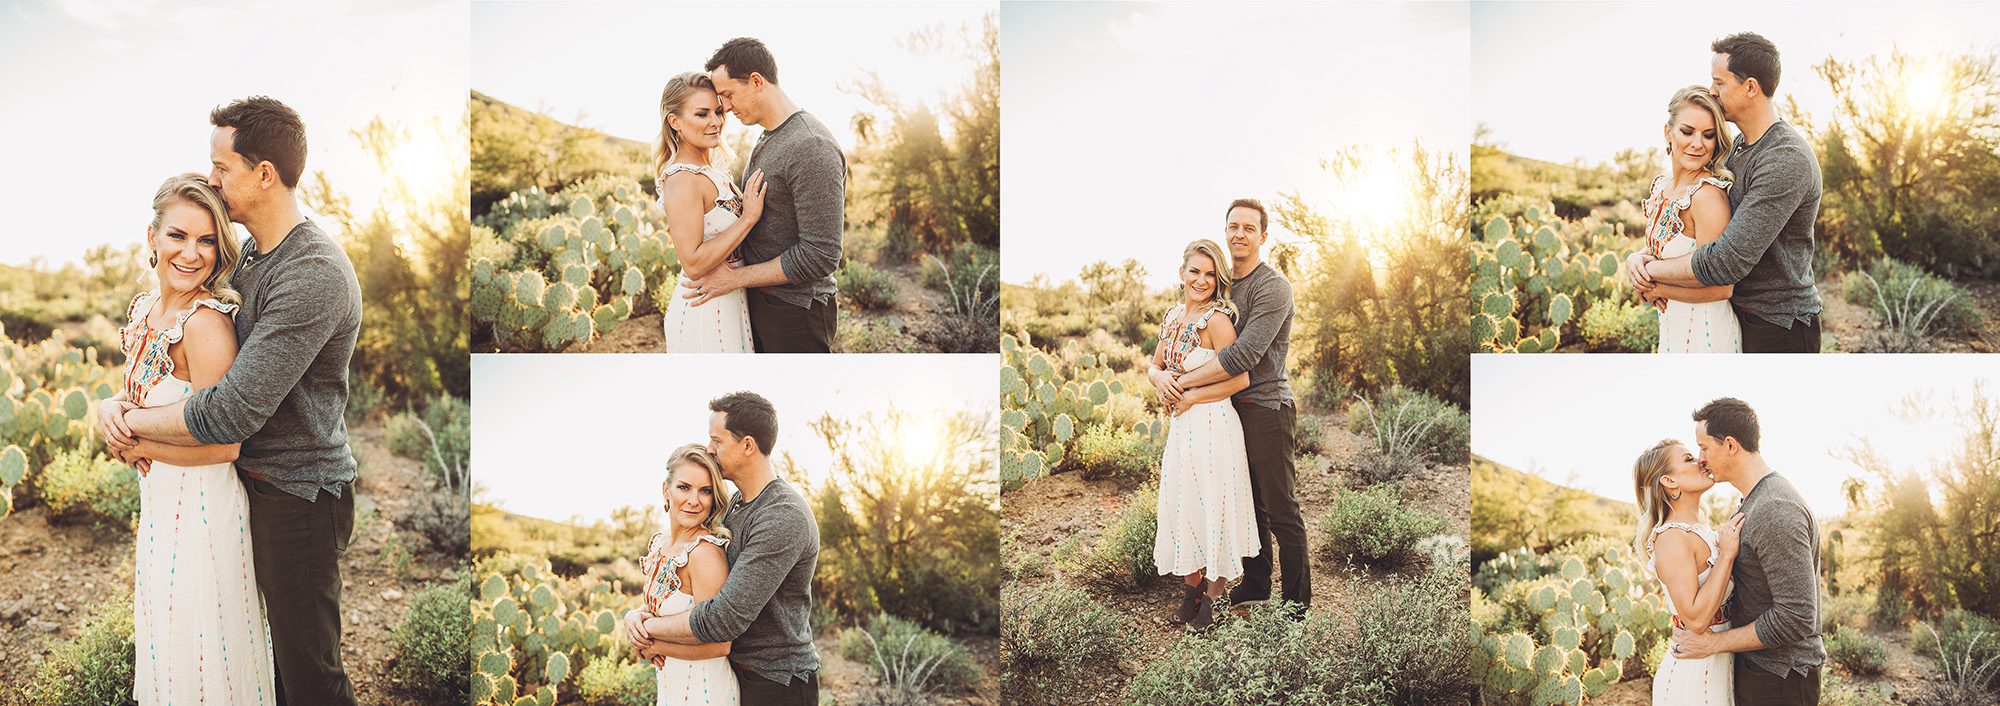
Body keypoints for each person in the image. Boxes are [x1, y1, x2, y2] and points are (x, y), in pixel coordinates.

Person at [105, 96, 363, 706]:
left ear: (263, 174)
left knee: (311, 677)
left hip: (299, 494)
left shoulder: (312, 272)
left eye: (222, 169)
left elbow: (229, 413)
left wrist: (128, 425)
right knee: (253, 658)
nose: (212, 182)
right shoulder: (251, 255)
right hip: (249, 484)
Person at [106, 173, 275, 705]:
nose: (191, 253)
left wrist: (135, 444)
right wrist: (111, 407)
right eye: (178, 235)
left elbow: (226, 445)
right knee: (172, 643)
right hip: (159, 507)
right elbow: (139, 394)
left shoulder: (206, 324)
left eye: (206, 240)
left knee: (208, 651)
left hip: (203, 512)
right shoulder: (143, 311)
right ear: (152, 236)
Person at [1631, 33, 1824, 353]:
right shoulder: (1739, 148)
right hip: (1741, 316)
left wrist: (1648, 273)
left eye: (1718, 81)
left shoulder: (1785, 158)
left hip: (1779, 325)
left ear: (1750, 87)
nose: (1711, 90)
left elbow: (1726, 261)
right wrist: (1639, 257)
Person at [1160, 198, 1308, 611]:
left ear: (1262, 236)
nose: (1239, 234)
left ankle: (1296, 604)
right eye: (1233, 227)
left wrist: (1181, 385)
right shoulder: (1224, 286)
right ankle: (1256, 584)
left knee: (1281, 509)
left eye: (1248, 227)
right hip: (1226, 409)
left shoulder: (1272, 287)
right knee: (1248, 502)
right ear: (1225, 232)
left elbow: (1243, 357)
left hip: (1265, 407)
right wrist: (1163, 377)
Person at [629, 392, 822, 705]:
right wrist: (635, 616)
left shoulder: (783, 516)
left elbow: (724, 618)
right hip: (737, 674)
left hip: (775, 682)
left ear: (746, 445)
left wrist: (647, 631)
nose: (709, 449)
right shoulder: (737, 505)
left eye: (716, 440)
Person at [684, 38, 845, 353]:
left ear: (756, 81)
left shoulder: (811, 146)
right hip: (764, 302)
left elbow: (820, 256)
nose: (725, 108)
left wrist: (734, 278)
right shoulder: (770, 136)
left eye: (728, 95)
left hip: (796, 313)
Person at [1672, 398, 1827, 705]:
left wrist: (1713, 644)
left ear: (1730, 445)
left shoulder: (1775, 509)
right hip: (1763, 670)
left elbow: (1796, 617)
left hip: (1781, 678)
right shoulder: (1755, 499)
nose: (1701, 459)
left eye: (1704, 447)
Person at [1148, 239, 1259, 630]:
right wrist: (1160, 379)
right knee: (1185, 507)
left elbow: (1240, 378)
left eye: (1210, 274)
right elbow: (1155, 365)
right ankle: (1192, 588)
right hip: (1182, 432)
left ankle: (1214, 597)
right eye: (1195, 271)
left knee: (1214, 507)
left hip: (1214, 427)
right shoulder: (1173, 316)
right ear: (1181, 273)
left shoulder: (1217, 321)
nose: (1202, 280)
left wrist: (1190, 396)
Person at [655, 70, 768, 353]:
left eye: (718, 112)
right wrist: (747, 219)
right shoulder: (682, 178)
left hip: (729, 299)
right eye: (702, 114)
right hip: (703, 310)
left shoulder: (711, 171)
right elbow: (692, 262)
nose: (715, 122)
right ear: (675, 122)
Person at [1632, 438, 1745, 704]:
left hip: (1716, 663)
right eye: (1688, 459)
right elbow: (1694, 619)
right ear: (1669, 482)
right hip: (1694, 676)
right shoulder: (1671, 538)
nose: (1701, 461)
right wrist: (1727, 555)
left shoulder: (1700, 530)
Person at [626, 445, 737, 705]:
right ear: (666, 490)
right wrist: (632, 616)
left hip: (705, 691)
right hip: (670, 688)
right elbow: (664, 605)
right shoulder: (660, 544)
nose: (694, 500)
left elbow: (720, 645)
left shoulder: (705, 553)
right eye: (684, 487)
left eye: (705, 491)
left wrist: (651, 646)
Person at [1637, 87, 1741, 353]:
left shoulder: (1707, 196)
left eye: (1708, 135)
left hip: (1707, 338)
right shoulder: (1663, 186)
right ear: (1667, 132)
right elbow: (1659, 250)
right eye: (1687, 131)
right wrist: (1635, 260)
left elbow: (1723, 288)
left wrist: (1655, 289)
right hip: (1671, 331)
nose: (1698, 144)